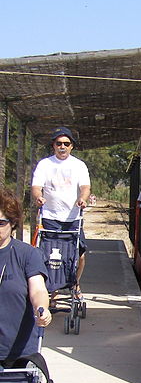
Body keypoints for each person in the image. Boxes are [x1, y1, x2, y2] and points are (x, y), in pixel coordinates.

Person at [31, 127, 90, 304]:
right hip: (49, 217)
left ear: (72, 146)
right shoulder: (45, 165)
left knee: (78, 255)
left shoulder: (79, 165)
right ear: (53, 145)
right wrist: (38, 197)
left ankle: (75, 283)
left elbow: (85, 187)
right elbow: (36, 187)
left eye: (66, 143)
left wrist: (82, 199)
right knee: (49, 255)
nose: (62, 147)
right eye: (59, 143)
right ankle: (51, 288)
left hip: (73, 219)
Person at [0, 189, 52, 366]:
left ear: (12, 223)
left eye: (0, 223)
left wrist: (42, 309)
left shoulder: (27, 254)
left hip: (17, 354)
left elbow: (37, 289)